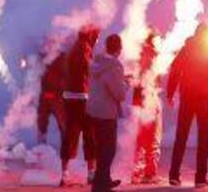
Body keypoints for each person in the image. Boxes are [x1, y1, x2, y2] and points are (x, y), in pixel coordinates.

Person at [166, 24, 208, 188]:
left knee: (182, 136)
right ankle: (199, 178)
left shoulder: (188, 48)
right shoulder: (206, 49)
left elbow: (175, 70)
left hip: (189, 97)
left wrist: (170, 93)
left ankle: (175, 175)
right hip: (202, 99)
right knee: (202, 138)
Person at [86, 34, 129, 192]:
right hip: (106, 113)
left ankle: (103, 180)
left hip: (94, 111)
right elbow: (119, 94)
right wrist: (126, 83)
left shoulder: (97, 63)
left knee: (101, 148)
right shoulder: (114, 66)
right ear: (119, 48)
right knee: (108, 150)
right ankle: (100, 185)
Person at [60, 24, 100, 186]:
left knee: (69, 135)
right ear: (90, 36)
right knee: (89, 136)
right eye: (96, 37)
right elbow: (89, 70)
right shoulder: (84, 48)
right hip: (82, 99)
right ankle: (91, 174)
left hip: (70, 98)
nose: (97, 41)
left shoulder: (74, 48)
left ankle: (64, 174)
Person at [131, 30, 161, 185]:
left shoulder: (137, 54)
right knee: (152, 137)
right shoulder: (154, 55)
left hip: (138, 100)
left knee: (139, 138)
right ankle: (149, 173)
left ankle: (136, 173)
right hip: (149, 98)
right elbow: (156, 78)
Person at [37, 47, 67, 145]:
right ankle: (41, 145)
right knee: (42, 121)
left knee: (62, 123)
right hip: (46, 97)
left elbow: (64, 79)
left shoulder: (62, 59)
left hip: (57, 97)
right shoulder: (43, 58)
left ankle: (66, 147)